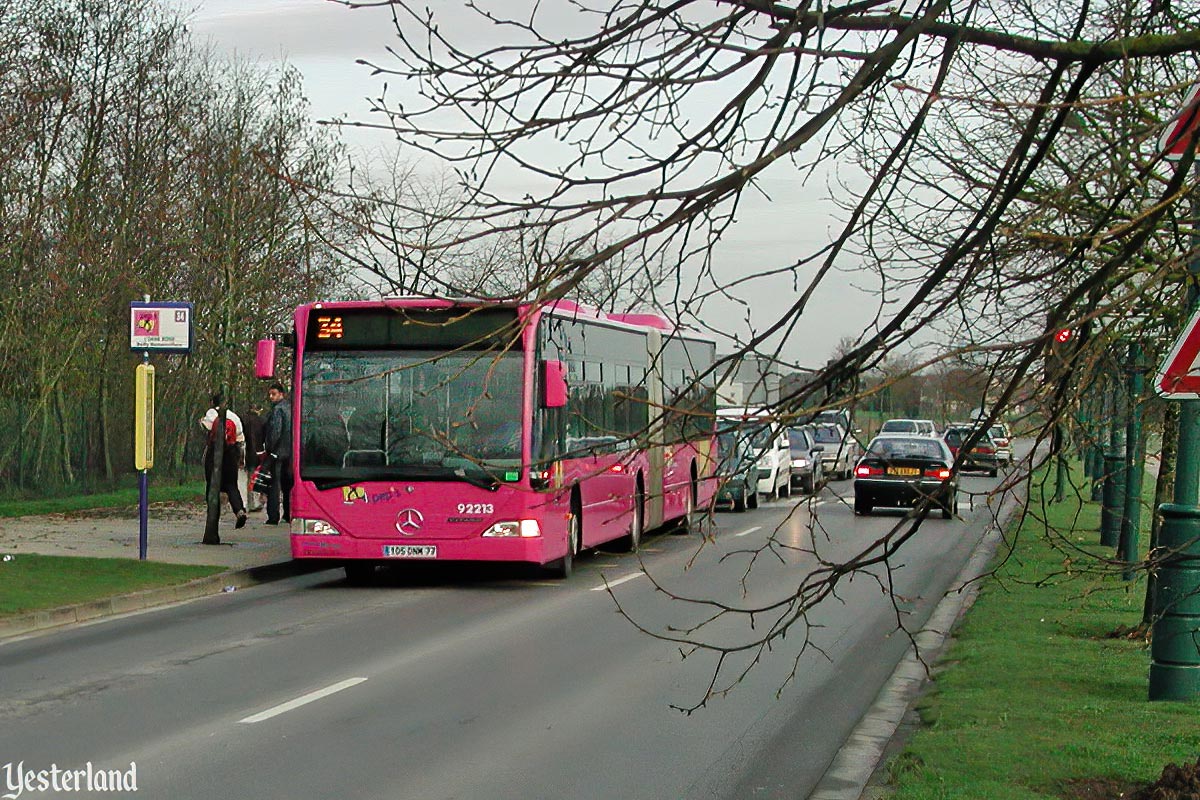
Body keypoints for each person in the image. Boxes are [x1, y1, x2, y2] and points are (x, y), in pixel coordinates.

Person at [199, 396, 247, 529]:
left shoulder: (211, 413)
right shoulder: (234, 417)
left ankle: (213, 516)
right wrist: (240, 458)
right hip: (230, 453)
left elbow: (206, 428)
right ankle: (239, 510)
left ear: (213, 402)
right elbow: (240, 439)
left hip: (214, 453)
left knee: (212, 486)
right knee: (232, 486)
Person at [264, 382, 293, 525]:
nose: (271, 397)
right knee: (288, 484)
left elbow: (276, 431)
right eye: (270, 394)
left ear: (281, 394)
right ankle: (288, 514)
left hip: (277, 452)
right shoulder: (291, 408)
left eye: (274, 394)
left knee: (274, 484)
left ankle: (273, 515)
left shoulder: (277, 410)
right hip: (291, 451)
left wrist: (270, 448)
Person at [242, 403, 267, 512]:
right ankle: (257, 501)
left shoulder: (244, 420)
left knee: (250, 478)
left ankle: (251, 502)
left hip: (249, 452)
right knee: (259, 477)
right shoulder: (262, 421)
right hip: (260, 452)